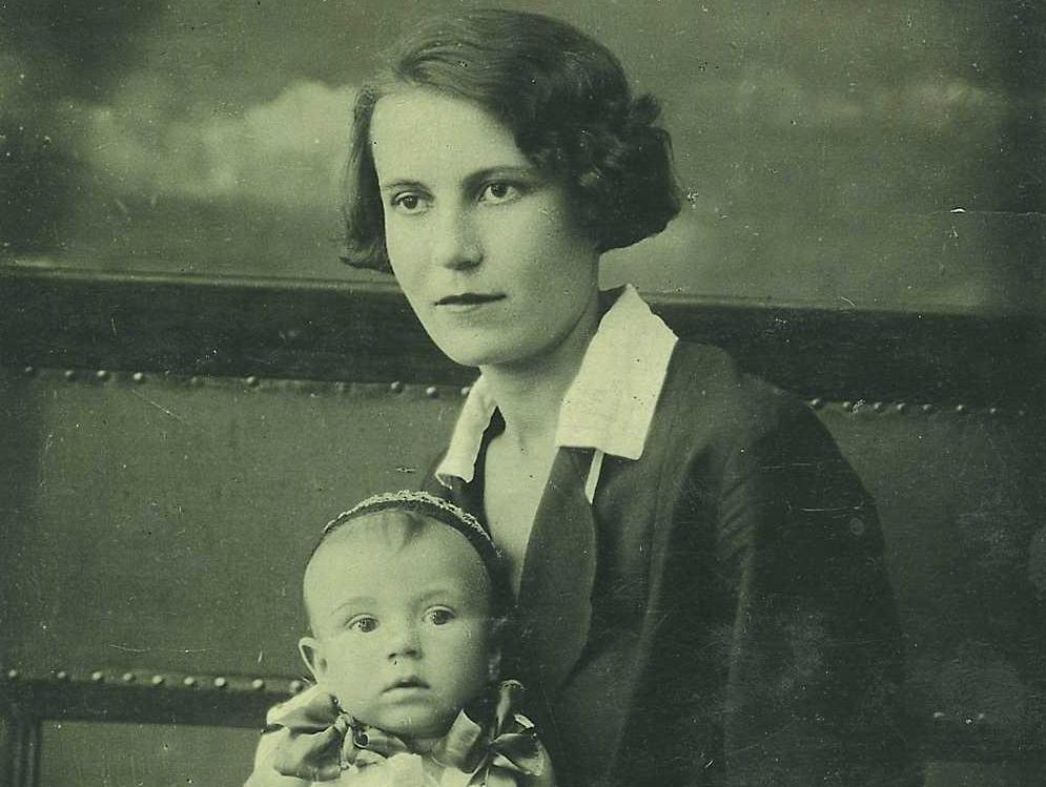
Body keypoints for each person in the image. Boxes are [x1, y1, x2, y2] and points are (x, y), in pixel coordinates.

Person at [256, 8, 920, 786]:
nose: (450, 250)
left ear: (592, 191)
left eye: (498, 189)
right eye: (410, 199)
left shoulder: (744, 446)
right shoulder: (449, 476)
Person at [246, 490, 556, 787]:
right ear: (323, 665)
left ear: (492, 650)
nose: (402, 644)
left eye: (438, 616)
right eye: (365, 624)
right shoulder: (300, 755)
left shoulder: (511, 749)